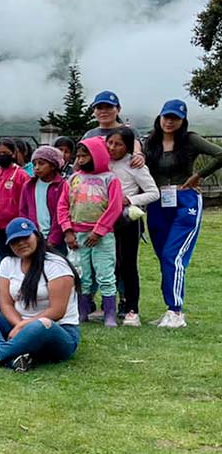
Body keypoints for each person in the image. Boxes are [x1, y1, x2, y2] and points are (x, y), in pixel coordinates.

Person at [0, 218, 79, 372]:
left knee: (41, 325)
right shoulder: (7, 263)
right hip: (17, 324)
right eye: (15, 241)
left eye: (25, 237)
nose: (21, 243)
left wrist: (23, 326)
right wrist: (18, 324)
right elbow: (6, 304)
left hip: (56, 330)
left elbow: (57, 311)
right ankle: (12, 358)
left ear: (37, 236)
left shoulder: (56, 265)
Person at [142, 99, 222, 328]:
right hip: (158, 202)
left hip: (185, 201)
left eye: (175, 118)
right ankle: (170, 309)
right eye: (166, 117)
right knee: (164, 257)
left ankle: (175, 311)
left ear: (182, 121)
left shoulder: (190, 140)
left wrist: (199, 176)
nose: (169, 122)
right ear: (160, 117)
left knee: (173, 255)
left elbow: (220, 154)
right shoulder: (151, 142)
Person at [57, 137, 124, 327]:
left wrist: (99, 231)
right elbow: (63, 205)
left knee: (105, 273)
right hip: (77, 236)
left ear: (97, 155)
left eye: (85, 155)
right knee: (81, 275)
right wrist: (67, 230)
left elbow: (114, 207)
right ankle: (82, 310)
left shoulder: (110, 179)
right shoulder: (73, 179)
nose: (80, 159)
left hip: (102, 237)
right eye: (78, 156)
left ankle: (110, 313)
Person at [106, 127, 158, 327]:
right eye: (110, 143)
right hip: (104, 221)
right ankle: (107, 306)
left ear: (127, 146)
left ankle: (132, 309)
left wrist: (130, 199)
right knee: (109, 264)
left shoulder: (134, 165)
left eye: (118, 144)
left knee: (128, 264)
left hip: (127, 220)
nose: (113, 148)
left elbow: (153, 192)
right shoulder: (102, 163)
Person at [0, 139, 32, 254]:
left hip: (16, 227)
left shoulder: (21, 176)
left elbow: (28, 203)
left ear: (13, 154)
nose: (1, 156)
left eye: (5, 153)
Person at [20, 146, 70, 254]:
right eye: (34, 164)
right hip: (35, 237)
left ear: (53, 165)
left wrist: (53, 240)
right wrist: (30, 234)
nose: (37, 167)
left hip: (57, 240)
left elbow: (60, 214)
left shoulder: (62, 186)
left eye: (41, 164)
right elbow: (23, 212)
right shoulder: (28, 186)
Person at [82, 91, 145, 165]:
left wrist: (138, 155)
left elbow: (136, 149)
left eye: (109, 107)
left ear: (118, 109)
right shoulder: (89, 135)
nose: (103, 111)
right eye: (99, 108)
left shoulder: (130, 131)